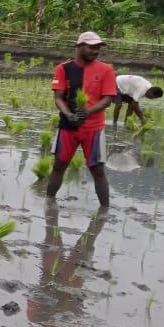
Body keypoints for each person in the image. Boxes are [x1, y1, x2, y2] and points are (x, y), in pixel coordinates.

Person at [46, 31, 117, 208]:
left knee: (97, 170)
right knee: (59, 165)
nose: (95, 51)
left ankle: (104, 211)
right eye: (91, 47)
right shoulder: (63, 68)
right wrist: (68, 114)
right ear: (79, 47)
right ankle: (48, 204)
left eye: (98, 47)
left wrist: (88, 111)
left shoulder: (106, 69)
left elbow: (107, 99)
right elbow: (59, 97)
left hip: (93, 128)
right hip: (68, 127)